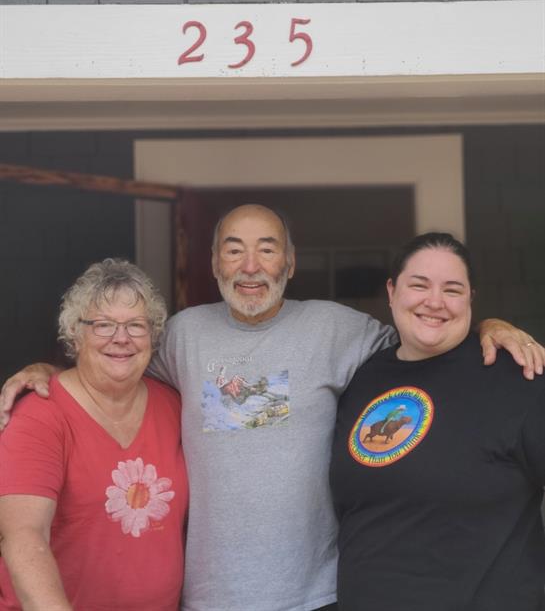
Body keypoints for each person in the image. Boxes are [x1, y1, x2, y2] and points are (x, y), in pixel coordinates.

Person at [0, 206, 543, 611]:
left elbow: (425, 336)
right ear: (214, 262)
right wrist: (47, 371)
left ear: (290, 261)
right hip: (208, 597)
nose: (251, 266)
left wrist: (491, 327)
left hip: (316, 594)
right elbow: (115, 360)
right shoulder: (183, 335)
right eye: (234, 249)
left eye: (267, 248)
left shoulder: (338, 328)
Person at [330, 233, 545, 610]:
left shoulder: (519, 377)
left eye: (452, 289)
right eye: (419, 285)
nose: (434, 301)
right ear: (392, 291)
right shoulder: (363, 378)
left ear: (470, 299)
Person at [0, 259, 188, 611]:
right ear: (75, 333)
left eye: (136, 325)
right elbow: (24, 535)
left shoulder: (173, 406)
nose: (121, 338)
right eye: (103, 325)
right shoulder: (40, 415)